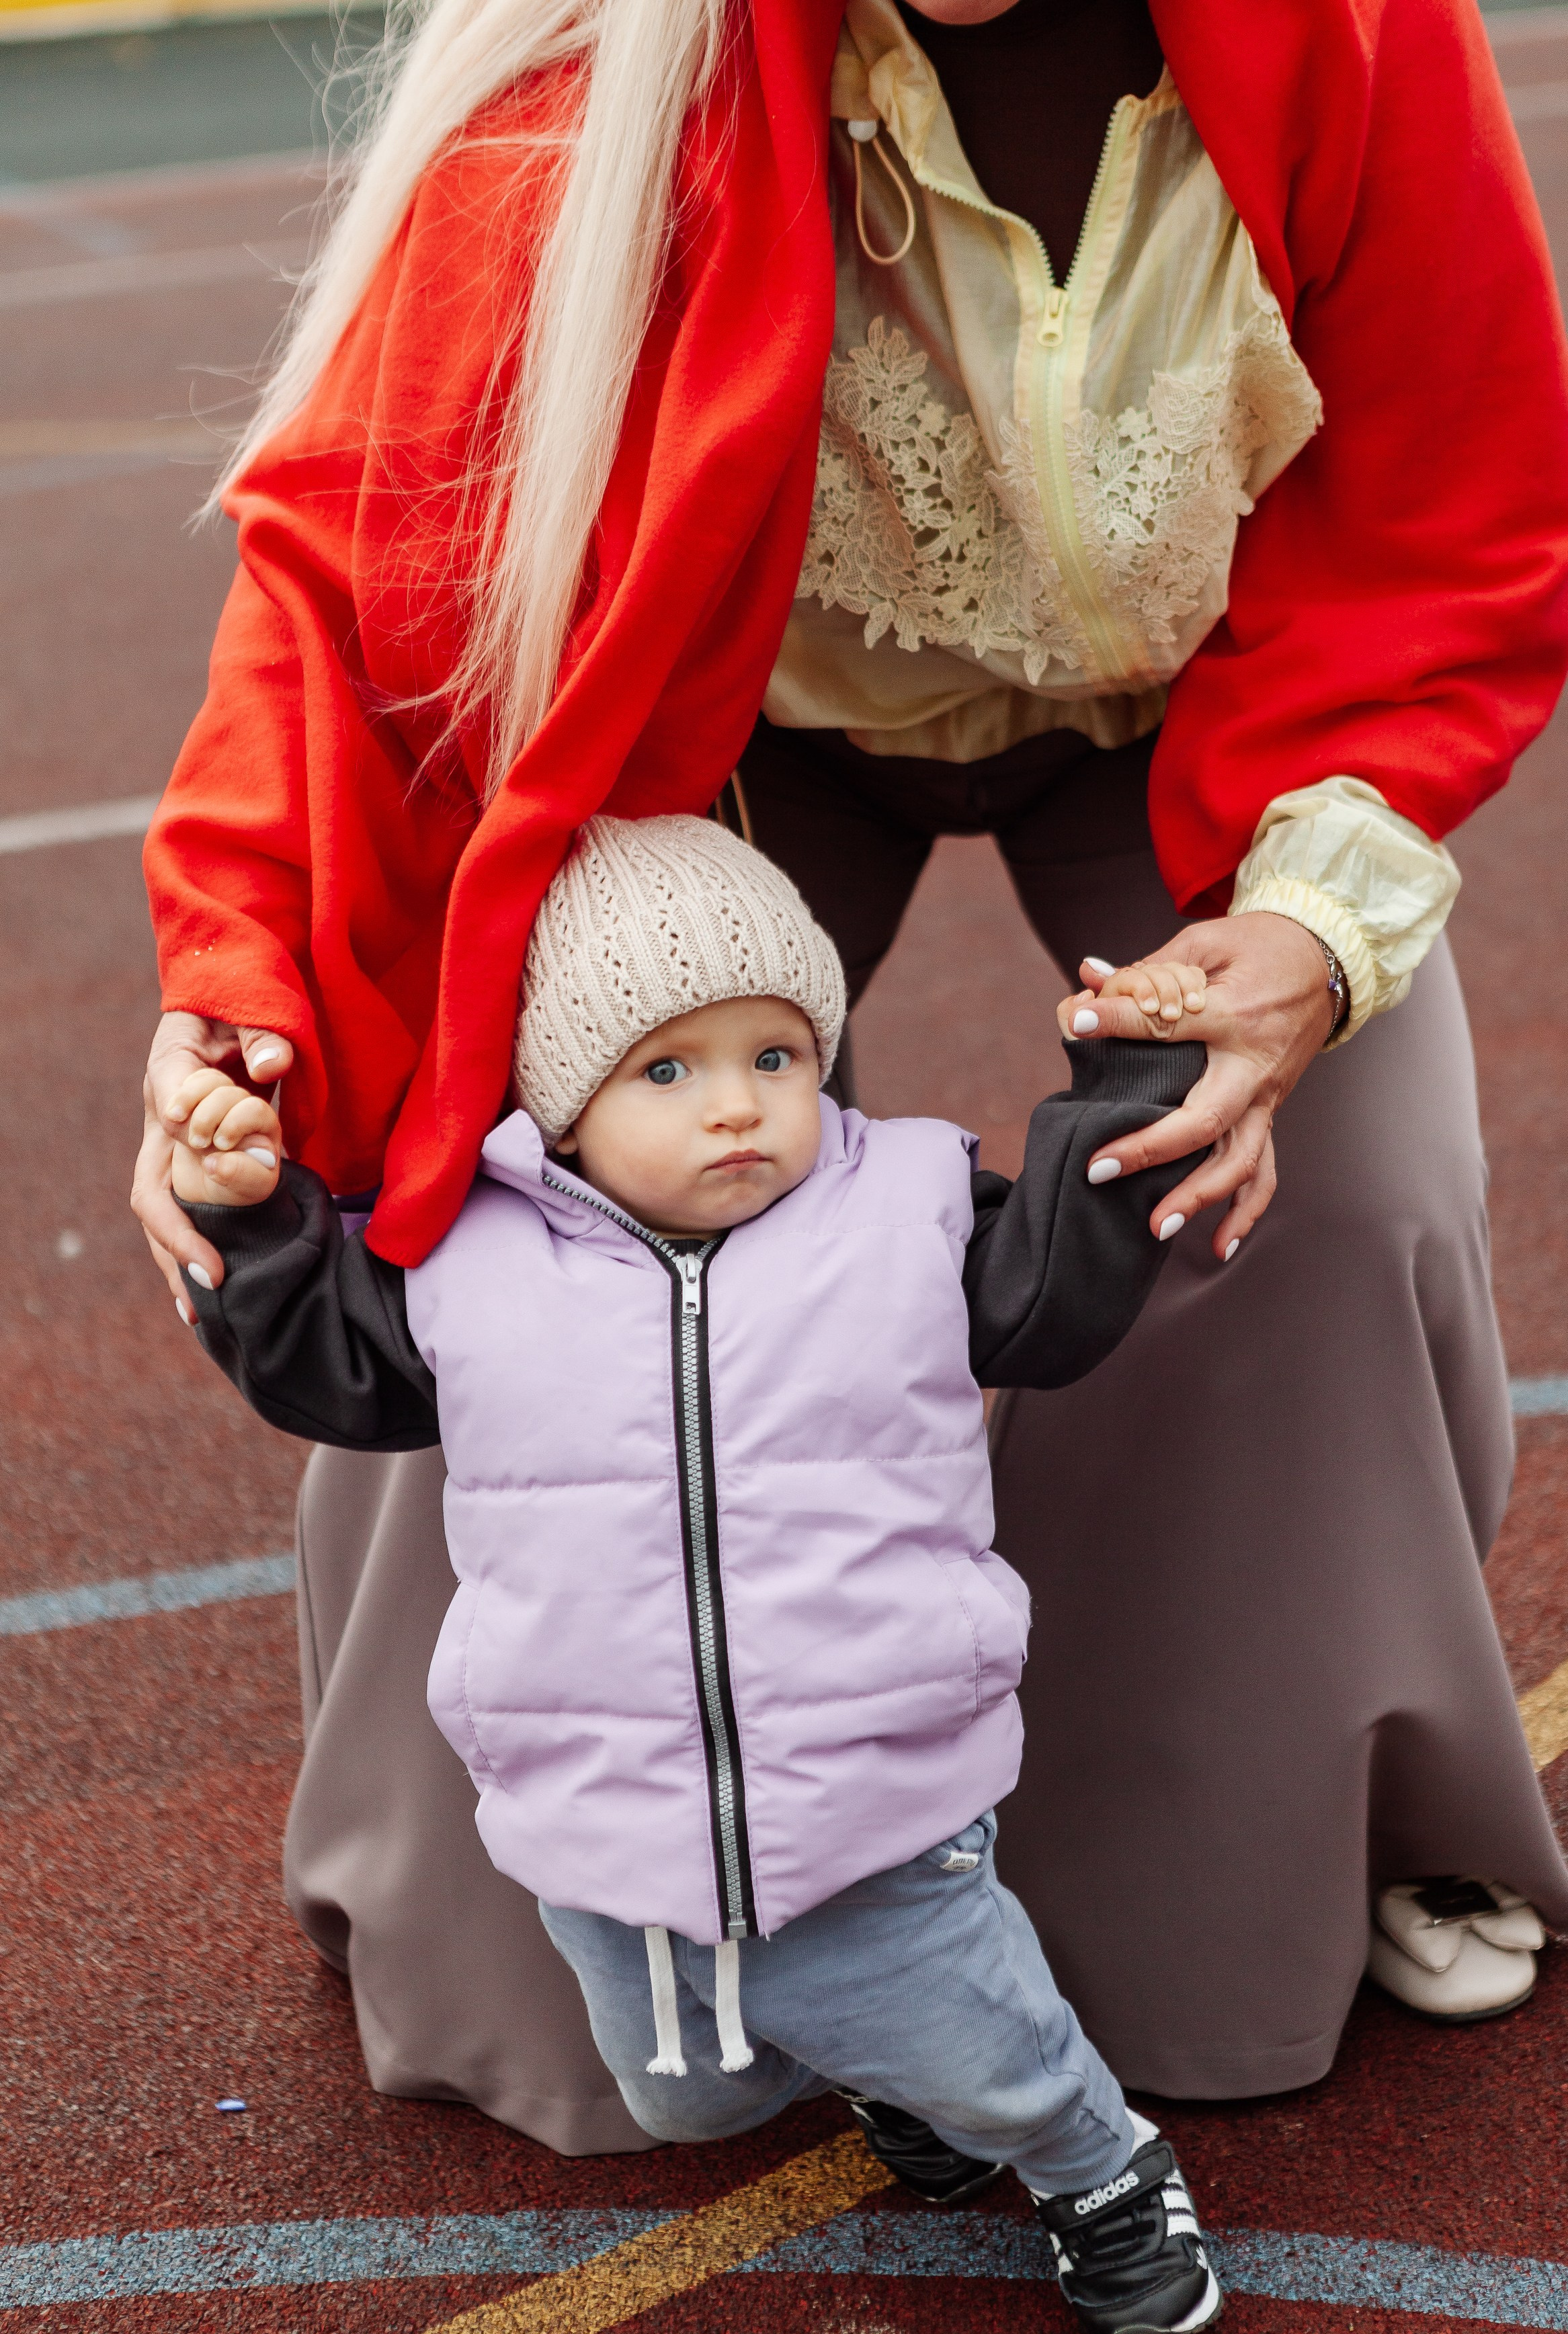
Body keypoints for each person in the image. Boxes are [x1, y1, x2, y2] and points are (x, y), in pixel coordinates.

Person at [132, 0, 1568, 2133]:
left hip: (1205, 720)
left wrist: (1299, 926)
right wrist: (232, 1005)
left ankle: (1270, 1819)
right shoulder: (595, 67)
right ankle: (507, 1871)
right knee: (536, 1214)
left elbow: (1453, 495)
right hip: (719, 733)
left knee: (1319, 1185)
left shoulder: (1354, 30)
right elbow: (364, 567)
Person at [165, 814, 1225, 2334]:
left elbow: (1057, 1292)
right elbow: (323, 1367)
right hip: (601, 1800)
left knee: (988, 2037)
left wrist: (1129, 1077)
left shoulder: (905, 1214)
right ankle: (885, 2072)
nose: (736, 1106)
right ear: (562, 1101)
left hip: (882, 1782)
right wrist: (254, 1219)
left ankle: (1100, 2172)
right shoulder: (469, 1263)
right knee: (687, 2089)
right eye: (668, 1070)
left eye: (776, 1057)